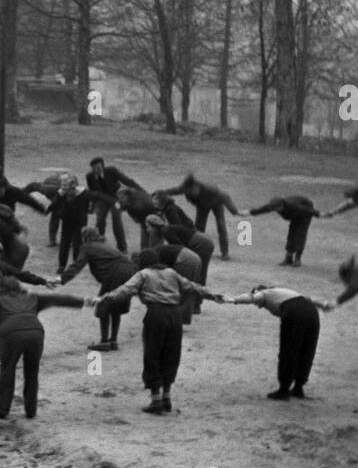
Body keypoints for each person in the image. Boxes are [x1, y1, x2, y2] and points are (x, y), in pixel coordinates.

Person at [93, 247, 224, 413]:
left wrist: (103, 298)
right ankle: (167, 397)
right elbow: (192, 287)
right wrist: (213, 295)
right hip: (175, 316)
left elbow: (125, 290)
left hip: (156, 315)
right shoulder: (171, 273)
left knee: (153, 354)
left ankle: (156, 399)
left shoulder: (143, 274)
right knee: (171, 354)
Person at [0, 278, 89, 418]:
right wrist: (85, 301)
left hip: (12, 333)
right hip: (36, 332)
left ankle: (2, 410)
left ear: (2, 289)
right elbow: (58, 299)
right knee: (32, 372)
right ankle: (31, 411)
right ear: (19, 288)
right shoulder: (33, 297)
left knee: (8, 370)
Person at [226, 285, 332, 398]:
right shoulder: (285, 292)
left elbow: (251, 298)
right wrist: (323, 305)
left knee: (289, 350)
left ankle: (284, 390)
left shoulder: (266, 293)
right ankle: (298, 388)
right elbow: (309, 299)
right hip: (312, 312)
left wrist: (232, 300)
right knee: (307, 350)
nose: (257, 305)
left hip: (294, 313)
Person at [59, 227, 138, 351]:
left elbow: (78, 264)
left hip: (115, 273)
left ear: (85, 237)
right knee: (116, 305)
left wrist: (63, 278)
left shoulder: (88, 246)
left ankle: (104, 341)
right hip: (129, 271)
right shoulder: (105, 244)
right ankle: (113, 340)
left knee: (104, 305)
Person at [157, 174, 241, 259]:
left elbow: (224, 196)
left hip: (217, 204)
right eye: (188, 191)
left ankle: (225, 253)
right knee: (199, 228)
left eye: (192, 190)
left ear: (196, 186)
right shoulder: (185, 188)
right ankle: (198, 249)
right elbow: (173, 191)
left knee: (221, 226)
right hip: (202, 207)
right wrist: (158, 195)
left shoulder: (208, 188)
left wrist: (234, 211)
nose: (191, 192)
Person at [86, 158, 143, 252]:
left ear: (103, 166)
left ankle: (122, 247)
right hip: (102, 198)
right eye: (94, 168)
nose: (97, 170)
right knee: (100, 220)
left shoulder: (112, 171)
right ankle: (99, 243)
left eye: (99, 167)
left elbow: (127, 181)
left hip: (116, 196)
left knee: (116, 218)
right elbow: (93, 192)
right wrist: (92, 205)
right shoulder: (90, 176)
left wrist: (141, 191)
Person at [247, 195, 320, 267]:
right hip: (294, 215)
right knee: (291, 234)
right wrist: (248, 212)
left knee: (300, 234)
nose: (277, 210)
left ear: (282, 205)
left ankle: (298, 258)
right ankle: (288, 258)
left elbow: (308, 211)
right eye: (275, 209)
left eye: (278, 208)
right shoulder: (273, 206)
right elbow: (261, 210)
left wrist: (320, 214)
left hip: (306, 211)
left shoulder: (293, 206)